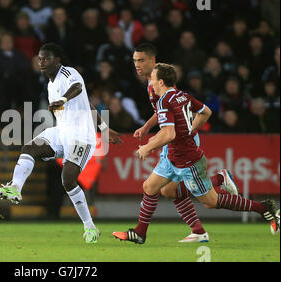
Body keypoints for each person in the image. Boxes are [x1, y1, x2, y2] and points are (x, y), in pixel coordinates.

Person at [113, 63, 280, 244]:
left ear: (160, 82)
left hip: (188, 161)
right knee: (153, 187)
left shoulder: (164, 101)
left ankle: (262, 207)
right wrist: (190, 129)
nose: (151, 82)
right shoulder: (182, 96)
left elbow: (169, 134)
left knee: (211, 201)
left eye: (153, 79)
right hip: (173, 158)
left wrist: (148, 147)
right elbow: (205, 112)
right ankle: (140, 233)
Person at [0, 43, 122, 243]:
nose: (41, 61)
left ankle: (90, 227)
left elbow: (77, 88)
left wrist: (62, 99)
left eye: (46, 58)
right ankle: (15, 188)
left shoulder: (68, 73)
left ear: (58, 60)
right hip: (62, 131)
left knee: (68, 180)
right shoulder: (51, 83)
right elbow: (87, 103)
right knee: (30, 148)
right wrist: (104, 127)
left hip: (81, 136)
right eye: (40, 58)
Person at [124, 43, 239, 243]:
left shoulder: (161, 84)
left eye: (141, 60)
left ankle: (221, 184)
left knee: (202, 198)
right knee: (166, 190)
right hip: (173, 136)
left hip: (178, 138)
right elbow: (160, 112)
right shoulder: (152, 84)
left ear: (152, 61)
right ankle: (198, 229)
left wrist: (153, 144)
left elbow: (173, 110)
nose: (137, 65)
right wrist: (145, 127)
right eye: (134, 61)